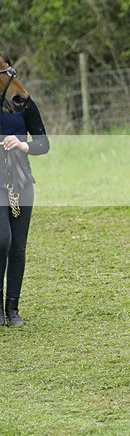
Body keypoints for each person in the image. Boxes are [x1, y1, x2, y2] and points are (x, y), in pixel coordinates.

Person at [0, 52, 50, 327]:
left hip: (21, 183)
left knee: (18, 247)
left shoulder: (25, 106)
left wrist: (22, 145)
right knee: (2, 241)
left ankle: (13, 310)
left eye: (9, 71)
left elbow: (43, 144)